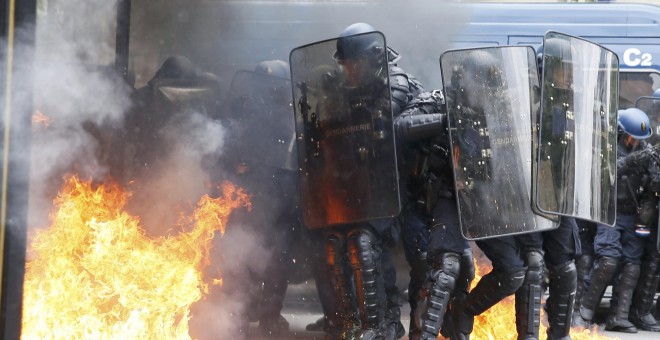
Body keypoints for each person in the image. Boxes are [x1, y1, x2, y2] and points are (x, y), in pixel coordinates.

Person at [297, 22, 422, 340]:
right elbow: (325, 129)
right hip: (352, 185)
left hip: (389, 187)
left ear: (374, 58)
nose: (349, 69)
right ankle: (349, 323)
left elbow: (381, 127)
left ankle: (383, 324)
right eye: (345, 64)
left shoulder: (396, 82)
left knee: (365, 245)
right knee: (333, 246)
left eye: (355, 63)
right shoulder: (344, 86)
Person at [573, 107, 654, 333]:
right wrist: (632, 160)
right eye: (630, 137)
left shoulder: (645, 151)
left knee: (632, 266)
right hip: (609, 213)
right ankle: (583, 312)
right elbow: (604, 171)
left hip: (631, 215)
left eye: (638, 139)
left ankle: (618, 317)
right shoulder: (607, 146)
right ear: (620, 132)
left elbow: (651, 182)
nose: (634, 141)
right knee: (608, 260)